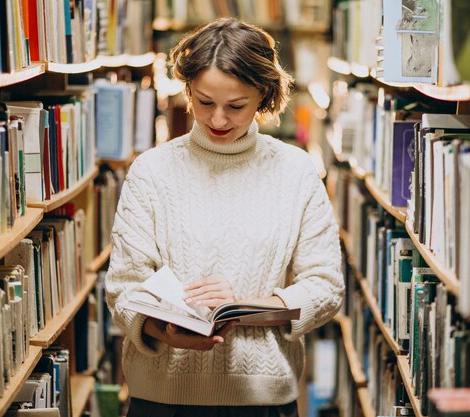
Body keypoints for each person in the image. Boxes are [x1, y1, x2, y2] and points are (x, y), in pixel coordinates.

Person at [105, 17, 344, 417]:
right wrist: (164, 330)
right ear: (187, 90)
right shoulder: (152, 170)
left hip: (261, 399)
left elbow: (325, 287)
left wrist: (245, 306)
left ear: (264, 96)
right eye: (203, 102)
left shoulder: (296, 171)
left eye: (236, 106)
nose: (217, 120)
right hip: (162, 398)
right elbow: (124, 287)